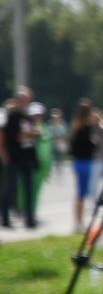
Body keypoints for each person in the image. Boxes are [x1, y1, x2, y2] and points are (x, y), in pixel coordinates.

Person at [1, 87, 41, 228]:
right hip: (14, 157)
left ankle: (29, 219)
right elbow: (16, 136)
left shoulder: (28, 117)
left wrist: (31, 134)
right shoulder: (11, 117)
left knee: (29, 189)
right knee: (11, 188)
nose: (27, 102)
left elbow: (35, 134)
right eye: (25, 100)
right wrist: (30, 134)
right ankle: (5, 217)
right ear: (18, 100)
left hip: (27, 157)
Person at [68, 99, 103, 230]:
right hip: (85, 162)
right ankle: (79, 222)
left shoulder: (76, 126)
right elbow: (90, 145)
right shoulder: (86, 127)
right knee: (81, 193)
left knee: (81, 193)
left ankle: (79, 221)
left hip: (78, 161)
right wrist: (95, 142)